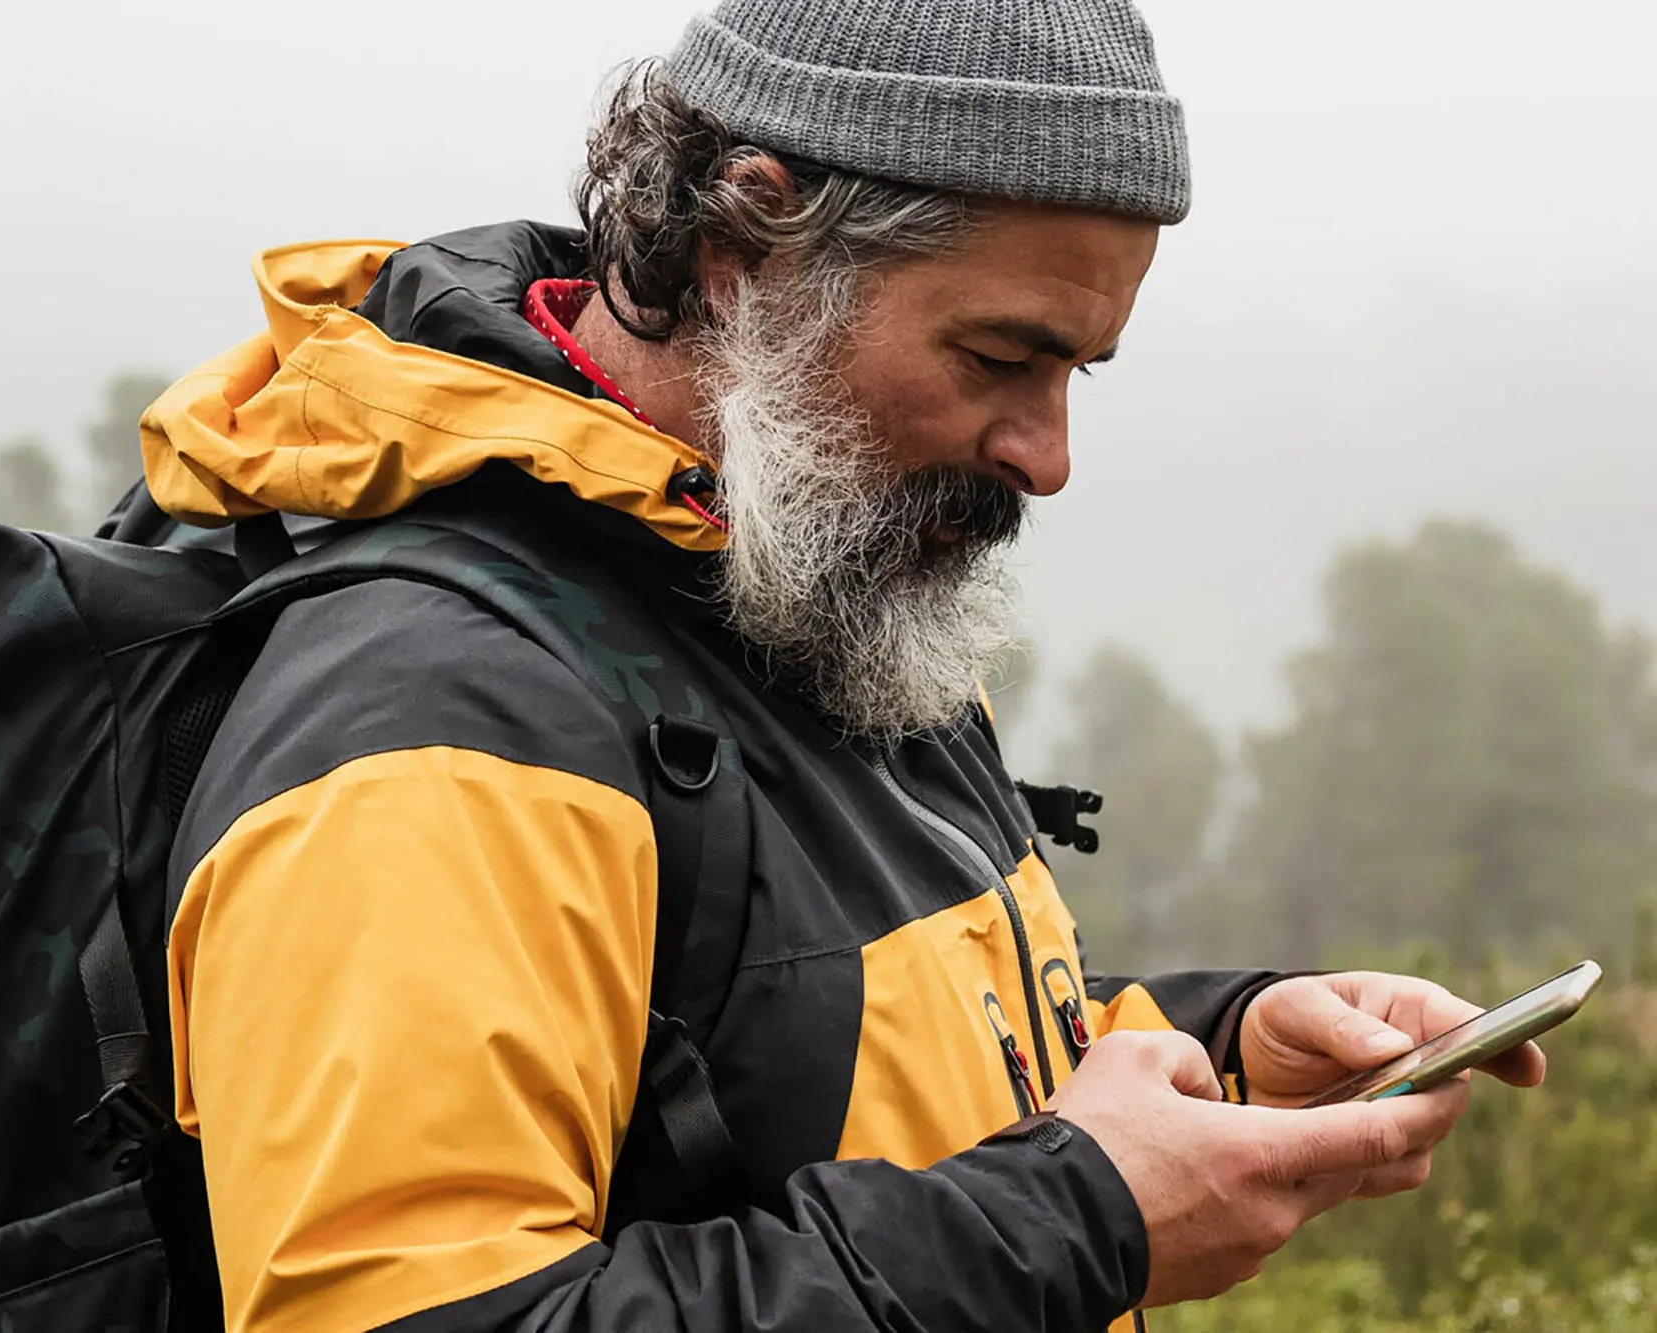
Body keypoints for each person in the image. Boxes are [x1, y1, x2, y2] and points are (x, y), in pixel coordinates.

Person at [138, 2, 1548, 1328]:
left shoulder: (796, 570)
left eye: (1079, 373)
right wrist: (1073, 1218)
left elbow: (809, 1048)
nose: (1047, 457)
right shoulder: (436, 726)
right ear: (747, 245)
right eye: (1003, 356)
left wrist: (1214, 1050)